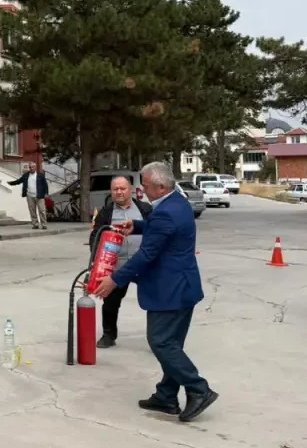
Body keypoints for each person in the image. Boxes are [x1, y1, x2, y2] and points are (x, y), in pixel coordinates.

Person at [93, 162, 218, 422]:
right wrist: (138, 227)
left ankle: (199, 389)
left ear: (160, 187)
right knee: (172, 343)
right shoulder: (178, 203)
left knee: (161, 342)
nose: (143, 190)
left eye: (147, 186)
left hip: (169, 289)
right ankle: (166, 396)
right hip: (183, 286)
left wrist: (114, 279)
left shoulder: (165, 213)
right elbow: (163, 232)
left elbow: (148, 253)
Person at [88, 176, 153, 348]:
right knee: (110, 302)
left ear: (130, 189)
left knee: (155, 300)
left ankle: (157, 339)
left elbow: (157, 233)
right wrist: (96, 263)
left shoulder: (145, 209)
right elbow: (95, 237)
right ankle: (109, 335)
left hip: (143, 263)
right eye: (115, 189)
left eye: (122, 188)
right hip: (117, 266)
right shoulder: (106, 213)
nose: (119, 192)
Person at [9, 162, 49, 230]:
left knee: (42, 210)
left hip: (39, 195)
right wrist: (10, 183)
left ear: (35, 167)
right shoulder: (26, 175)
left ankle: (44, 224)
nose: (31, 168)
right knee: (32, 211)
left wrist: (46, 193)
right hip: (29, 196)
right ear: (29, 168)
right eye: (30, 167)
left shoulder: (40, 175)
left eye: (33, 167)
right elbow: (19, 181)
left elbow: (45, 185)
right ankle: (35, 224)